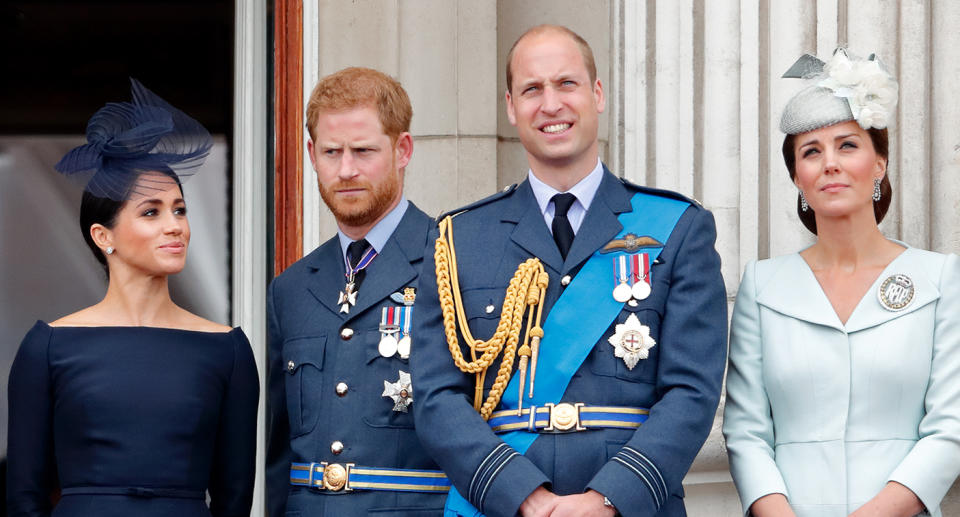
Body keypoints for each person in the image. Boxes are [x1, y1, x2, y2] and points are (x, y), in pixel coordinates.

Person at [411, 25, 727, 517]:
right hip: (504, 505)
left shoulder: (678, 227)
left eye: (566, 84)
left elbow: (691, 391)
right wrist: (523, 496)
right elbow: (435, 398)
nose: (550, 104)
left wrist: (608, 499)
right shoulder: (458, 238)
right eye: (532, 89)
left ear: (597, 95)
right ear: (511, 107)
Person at [723, 49, 960, 517]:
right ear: (797, 178)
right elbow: (746, 431)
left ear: (879, 164)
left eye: (847, 145)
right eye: (812, 152)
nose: (830, 163)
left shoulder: (939, 278)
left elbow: (951, 425)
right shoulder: (762, 286)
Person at [6, 79, 259, 517]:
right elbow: (23, 497)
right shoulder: (47, 346)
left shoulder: (228, 349)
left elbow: (234, 499)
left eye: (180, 209)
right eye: (151, 212)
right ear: (104, 236)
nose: (175, 225)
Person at [265, 67, 448, 517]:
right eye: (331, 152)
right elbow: (279, 458)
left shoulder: (453, 263)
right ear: (311, 154)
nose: (346, 170)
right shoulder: (290, 288)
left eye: (363, 151)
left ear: (402, 149)